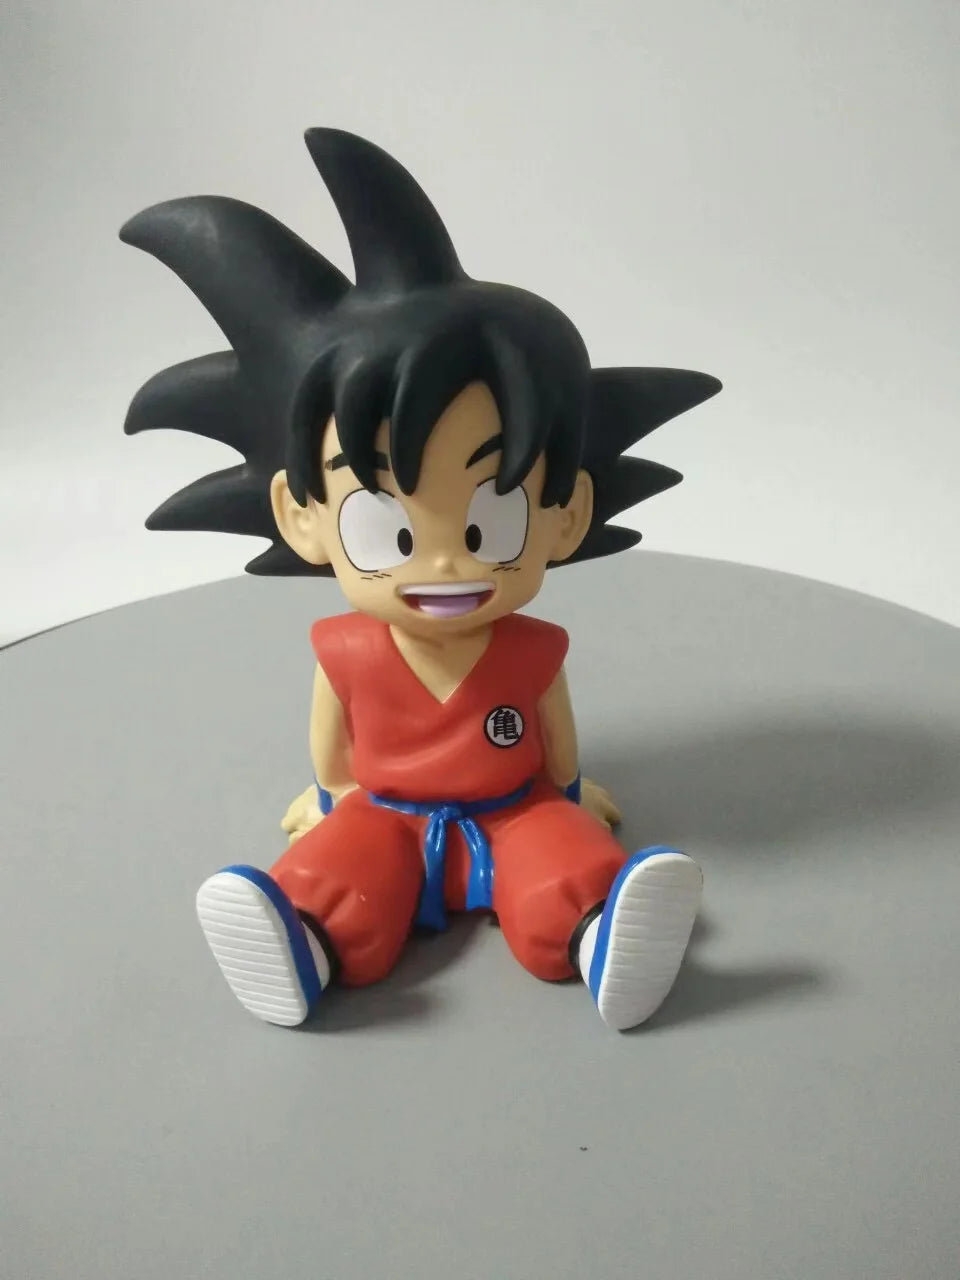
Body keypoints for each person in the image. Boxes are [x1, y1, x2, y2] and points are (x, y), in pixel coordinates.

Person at [121, 128, 721, 1031]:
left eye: (493, 521)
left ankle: (604, 935)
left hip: (516, 809)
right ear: (302, 515)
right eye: (387, 526)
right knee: (347, 868)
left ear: (565, 514)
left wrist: (569, 796)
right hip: (389, 812)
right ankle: (301, 941)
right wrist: (331, 802)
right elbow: (333, 751)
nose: (445, 563)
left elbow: (557, 746)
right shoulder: (348, 650)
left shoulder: (531, 650)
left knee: (562, 859)